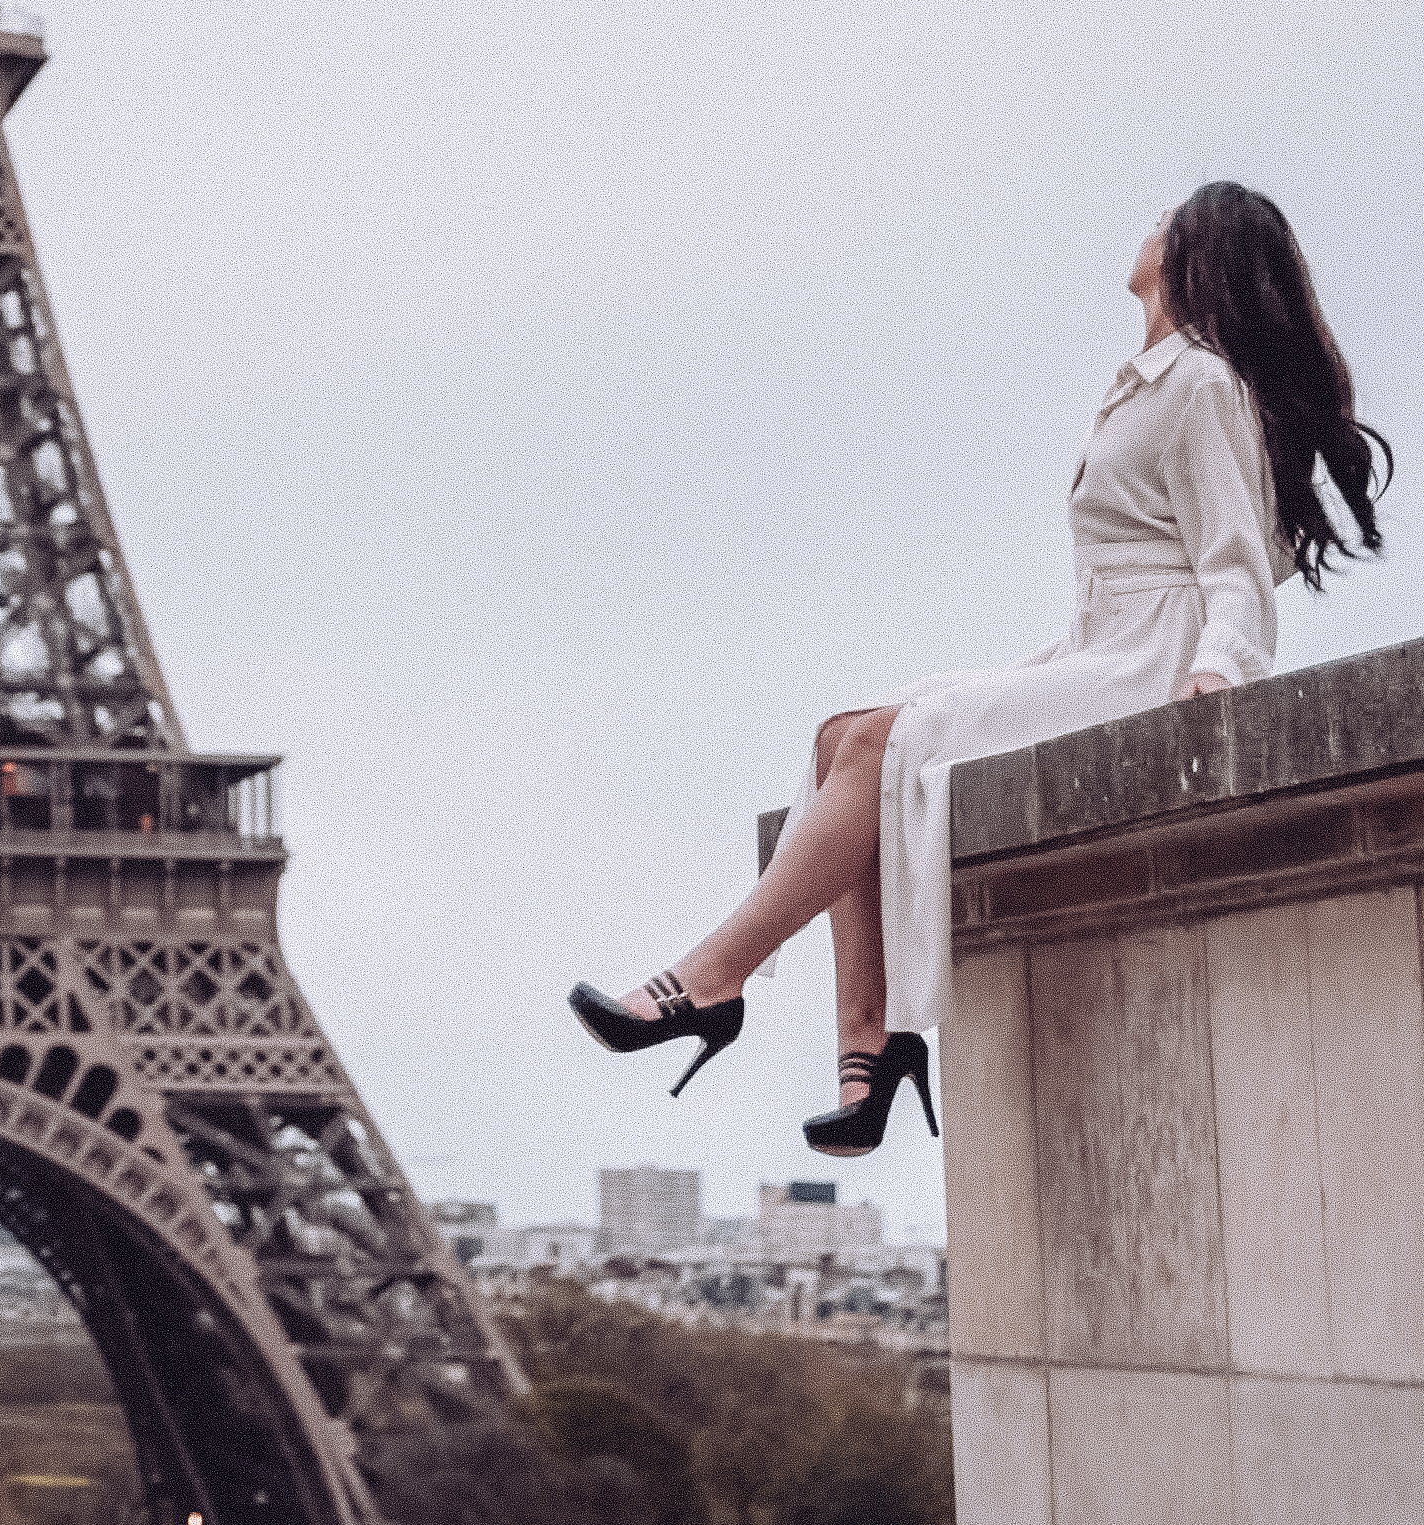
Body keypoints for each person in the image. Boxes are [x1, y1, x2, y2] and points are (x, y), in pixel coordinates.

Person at [567, 181, 1391, 1152]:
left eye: (1166, 214)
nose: (1147, 222)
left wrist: (1217, 667)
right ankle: (866, 1056)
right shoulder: (1148, 381)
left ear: (1196, 249)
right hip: (1097, 644)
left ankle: (712, 976)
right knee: (842, 734)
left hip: (1146, 657)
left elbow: (1234, 564)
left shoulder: (1202, 381)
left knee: (882, 742)